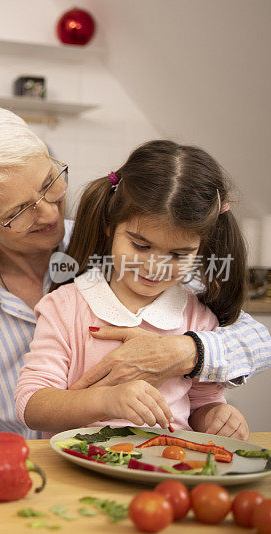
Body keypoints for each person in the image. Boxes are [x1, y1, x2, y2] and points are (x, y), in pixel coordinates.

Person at [0, 102, 271, 443]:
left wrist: (184, 352)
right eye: (20, 210)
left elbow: (256, 343)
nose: (49, 213)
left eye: (47, 183)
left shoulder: (152, 255)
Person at [16, 140, 250, 439]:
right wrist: (105, 400)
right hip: (80, 466)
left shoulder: (198, 318)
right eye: (140, 245)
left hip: (169, 465)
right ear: (110, 226)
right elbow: (32, 406)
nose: (155, 267)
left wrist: (218, 416)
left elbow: (203, 404)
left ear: (201, 248)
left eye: (178, 254)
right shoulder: (65, 306)